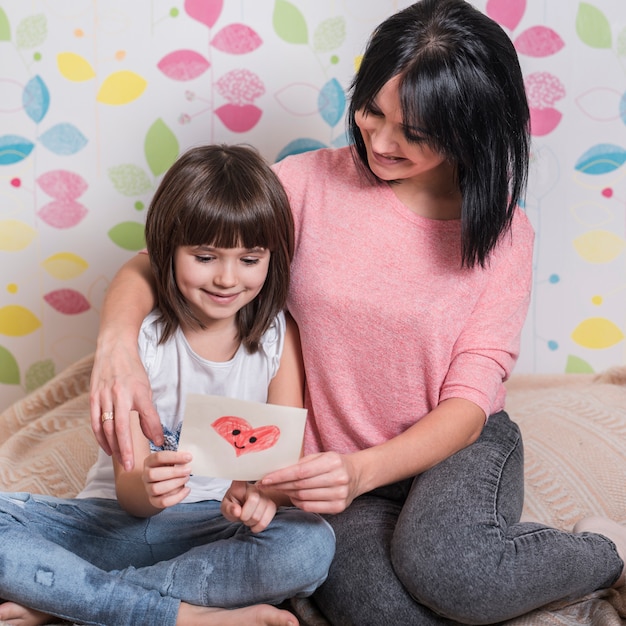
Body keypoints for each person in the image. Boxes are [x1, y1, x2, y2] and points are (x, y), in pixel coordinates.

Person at [88, 1, 626, 624]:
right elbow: (154, 264)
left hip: (454, 447)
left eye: (415, 133)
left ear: (472, 128)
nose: (379, 140)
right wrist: (117, 345)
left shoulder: (505, 234)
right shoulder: (302, 185)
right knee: (381, 613)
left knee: (452, 572)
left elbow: (470, 401)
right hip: (329, 472)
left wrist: (361, 470)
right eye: (372, 110)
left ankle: (604, 549)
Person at [0, 144, 336, 626]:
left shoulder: (282, 338)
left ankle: (68, 602)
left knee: (309, 545)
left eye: (249, 259)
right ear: (166, 250)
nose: (226, 278)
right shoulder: (145, 338)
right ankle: (185, 616)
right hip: (118, 524)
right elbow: (130, 492)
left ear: (272, 257)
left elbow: (276, 471)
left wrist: (260, 497)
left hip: (216, 531)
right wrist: (150, 489)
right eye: (204, 256)